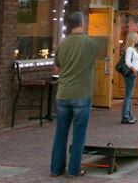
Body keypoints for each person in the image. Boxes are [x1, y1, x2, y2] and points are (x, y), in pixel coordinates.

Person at [50, 12, 98, 178]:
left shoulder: (62, 44)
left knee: (60, 133)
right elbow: (94, 62)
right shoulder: (90, 44)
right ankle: (74, 169)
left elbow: (56, 69)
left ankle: (56, 169)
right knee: (79, 134)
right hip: (82, 94)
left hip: (63, 94)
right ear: (82, 24)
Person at [121, 31, 138, 124]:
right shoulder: (129, 49)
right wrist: (134, 70)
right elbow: (127, 62)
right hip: (130, 74)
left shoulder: (133, 49)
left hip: (133, 74)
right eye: (137, 38)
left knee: (130, 95)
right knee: (128, 96)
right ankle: (125, 116)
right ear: (133, 39)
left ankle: (129, 115)